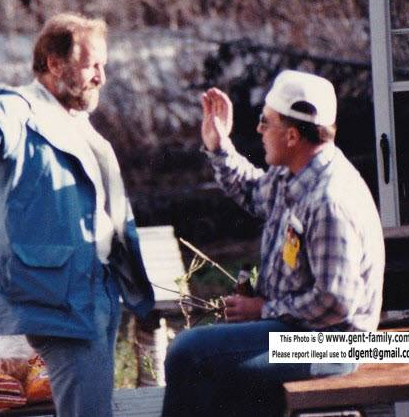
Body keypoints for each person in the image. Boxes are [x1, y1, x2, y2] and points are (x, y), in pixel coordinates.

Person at [0, 12, 154, 416]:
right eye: (91, 66)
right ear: (55, 64)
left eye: (103, 66)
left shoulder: (76, 121)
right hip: (59, 306)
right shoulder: (17, 110)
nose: (101, 77)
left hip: (98, 297)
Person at [162, 70, 385, 416]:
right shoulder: (293, 172)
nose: (258, 129)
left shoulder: (329, 201)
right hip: (296, 329)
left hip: (333, 346)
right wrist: (219, 146)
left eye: (266, 122)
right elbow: (254, 193)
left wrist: (262, 309)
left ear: (292, 136)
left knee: (188, 353)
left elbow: (336, 302)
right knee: (209, 370)